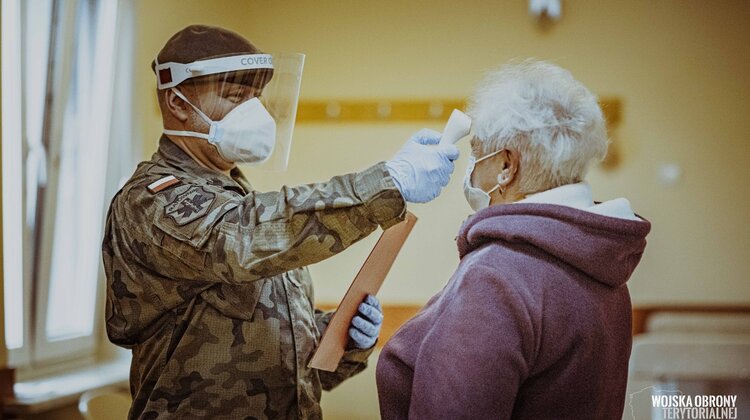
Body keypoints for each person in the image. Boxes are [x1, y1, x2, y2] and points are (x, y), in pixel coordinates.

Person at [102, 25, 459, 419]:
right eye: (235, 97)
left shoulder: (241, 201)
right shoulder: (151, 201)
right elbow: (240, 239)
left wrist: (343, 337)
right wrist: (387, 183)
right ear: (179, 103)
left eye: (255, 98)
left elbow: (289, 366)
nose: (254, 113)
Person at [376, 59, 651, 419]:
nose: (472, 168)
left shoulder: (496, 277)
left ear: (507, 165)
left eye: (477, 153)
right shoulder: (604, 263)